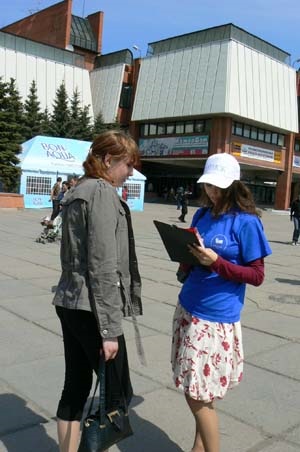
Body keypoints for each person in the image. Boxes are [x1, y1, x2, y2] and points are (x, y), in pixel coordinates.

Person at [171, 153, 272, 452]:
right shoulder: (202, 215)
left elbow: (256, 275)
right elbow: (192, 255)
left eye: (218, 187)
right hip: (189, 306)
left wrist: (216, 263)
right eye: (209, 186)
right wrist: (185, 258)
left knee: (196, 395)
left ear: (232, 185)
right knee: (202, 391)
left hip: (215, 318)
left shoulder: (247, 223)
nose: (212, 192)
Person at [52, 131, 143, 452]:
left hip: (69, 302)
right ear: (107, 160)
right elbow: (103, 265)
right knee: (116, 396)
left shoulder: (79, 189)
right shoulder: (102, 192)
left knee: (75, 386)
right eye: (127, 165)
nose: (130, 172)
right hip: (93, 310)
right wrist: (108, 329)